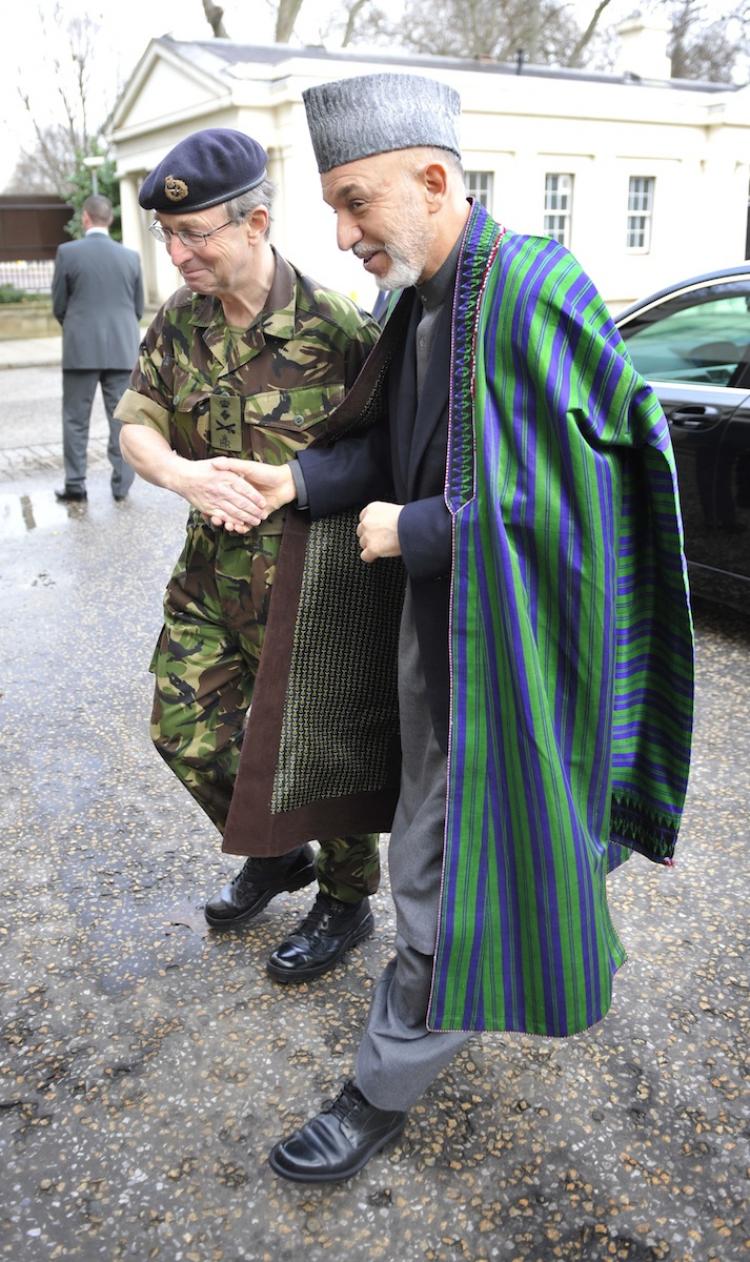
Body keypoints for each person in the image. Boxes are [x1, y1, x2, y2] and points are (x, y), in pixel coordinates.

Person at [216, 73, 695, 1183]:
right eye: (330, 209)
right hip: (442, 639)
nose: (340, 236)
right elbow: (395, 453)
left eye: (354, 203)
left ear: (434, 179)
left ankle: (379, 1087)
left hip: (506, 662)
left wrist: (422, 529)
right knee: (456, 855)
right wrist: (297, 481)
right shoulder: (423, 298)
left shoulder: (531, 289)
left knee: (443, 867)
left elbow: (597, 503)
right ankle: (471, 977)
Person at [115, 128, 383, 982]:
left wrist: (303, 483)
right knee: (183, 728)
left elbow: (389, 451)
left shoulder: (336, 323)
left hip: (312, 580)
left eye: (196, 235)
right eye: (168, 236)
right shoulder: (178, 321)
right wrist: (182, 474)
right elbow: (135, 425)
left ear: (256, 222)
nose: (179, 253)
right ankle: (274, 850)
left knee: (319, 749)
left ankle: (345, 900)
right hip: (209, 576)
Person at [52, 194, 144, 503]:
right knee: (121, 419)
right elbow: (138, 307)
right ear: (109, 219)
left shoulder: (67, 252)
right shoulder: (131, 257)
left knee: (75, 420)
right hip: (122, 349)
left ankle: (75, 485)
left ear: (86, 218)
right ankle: (121, 487)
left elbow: (59, 306)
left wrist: (80, 331)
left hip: (81, 350)